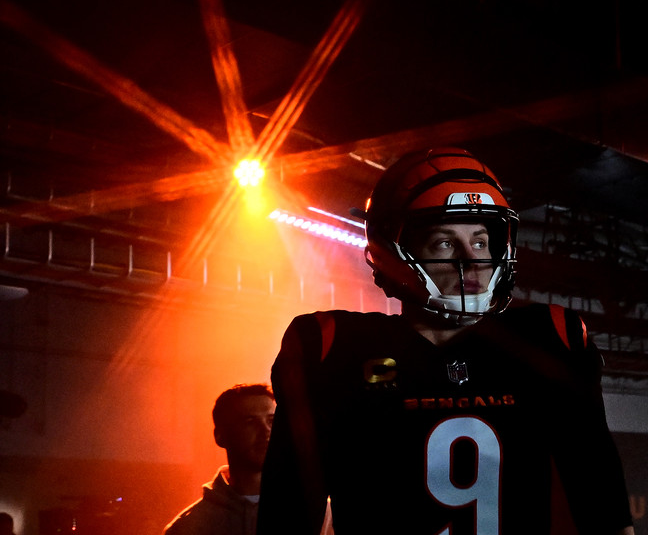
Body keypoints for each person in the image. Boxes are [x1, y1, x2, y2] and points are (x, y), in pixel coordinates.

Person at [257, 147, 635, 535]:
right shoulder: (329, 348)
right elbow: (287, 514)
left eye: (482, 241)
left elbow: (602, 501)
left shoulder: (551, 339)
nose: (472, 260)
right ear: (393, 251)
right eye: (444, 243)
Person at [164, 383, 275, 535]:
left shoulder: (310, 512)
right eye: (250, 422)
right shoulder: (189, 527)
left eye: (272, 421)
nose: (266, 431)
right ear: (220, 436)